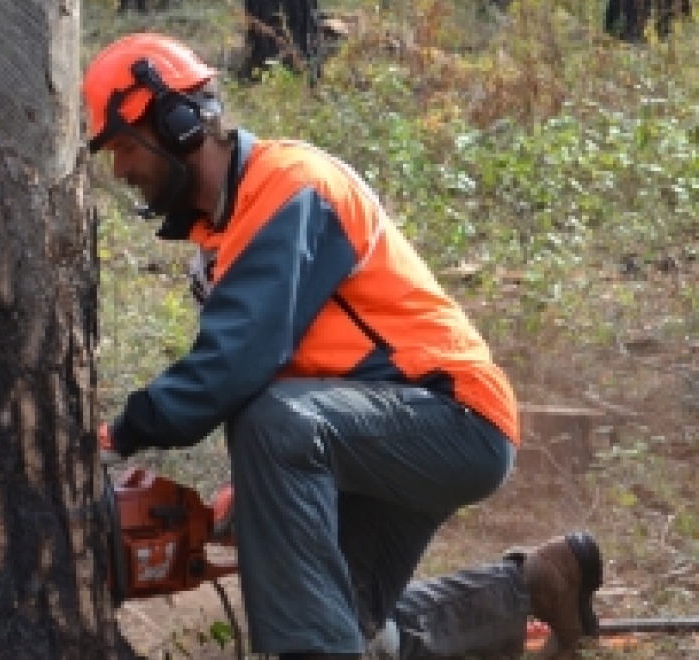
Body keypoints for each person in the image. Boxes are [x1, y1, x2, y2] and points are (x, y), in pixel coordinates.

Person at [85, 32, 603, 660]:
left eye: (124, 147)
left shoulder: (290, 189)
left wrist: (119, 434)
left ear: (177, 121)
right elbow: (282, 369)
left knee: (304, 588)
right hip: (382, 426)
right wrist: (260, 488)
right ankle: (533, 586)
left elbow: (236, 364)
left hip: (450, 416)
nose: (120, 171)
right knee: (343, 616)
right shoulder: (223, 238)